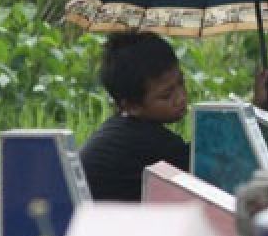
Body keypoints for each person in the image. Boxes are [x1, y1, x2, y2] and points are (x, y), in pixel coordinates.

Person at [79, 32, 190, 201]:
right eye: (166, 96)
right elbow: (204, 174)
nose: (181, 97)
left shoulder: (119, 131)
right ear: (130, 106)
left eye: (181, 83)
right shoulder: (154, 144)